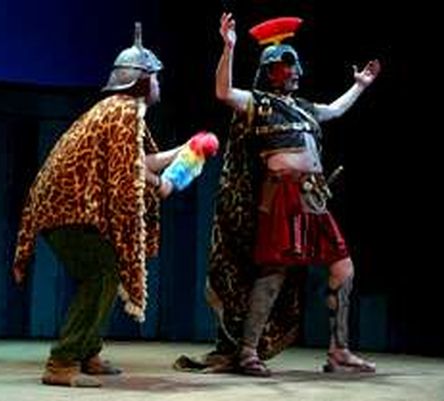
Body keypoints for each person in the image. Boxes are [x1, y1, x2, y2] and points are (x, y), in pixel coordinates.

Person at [180, 13, 379, 377]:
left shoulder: (304, 107)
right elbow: (223, 92)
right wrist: (229, 48)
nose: (296, 71)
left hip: (314, 198)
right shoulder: (258, 103)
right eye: (288, 66)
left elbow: (334, 110)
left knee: (343, 268)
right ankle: (247, 351)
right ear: (270, 71)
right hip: (281, 198)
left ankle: (339, 351)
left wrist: (360, 86)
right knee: (274, 272)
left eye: (296, 65)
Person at [12, 22, 196, 387]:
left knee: (105, 272)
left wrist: (185, 151)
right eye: (156, 78)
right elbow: (132, 169)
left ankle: (87, 352)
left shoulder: (121, 110)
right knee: (101, 273)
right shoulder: (123, 111)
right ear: (142, 81)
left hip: (69, 209)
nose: (159, 85)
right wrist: (162, 185)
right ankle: (63, 361)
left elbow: (140, 159)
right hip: (68, 209)